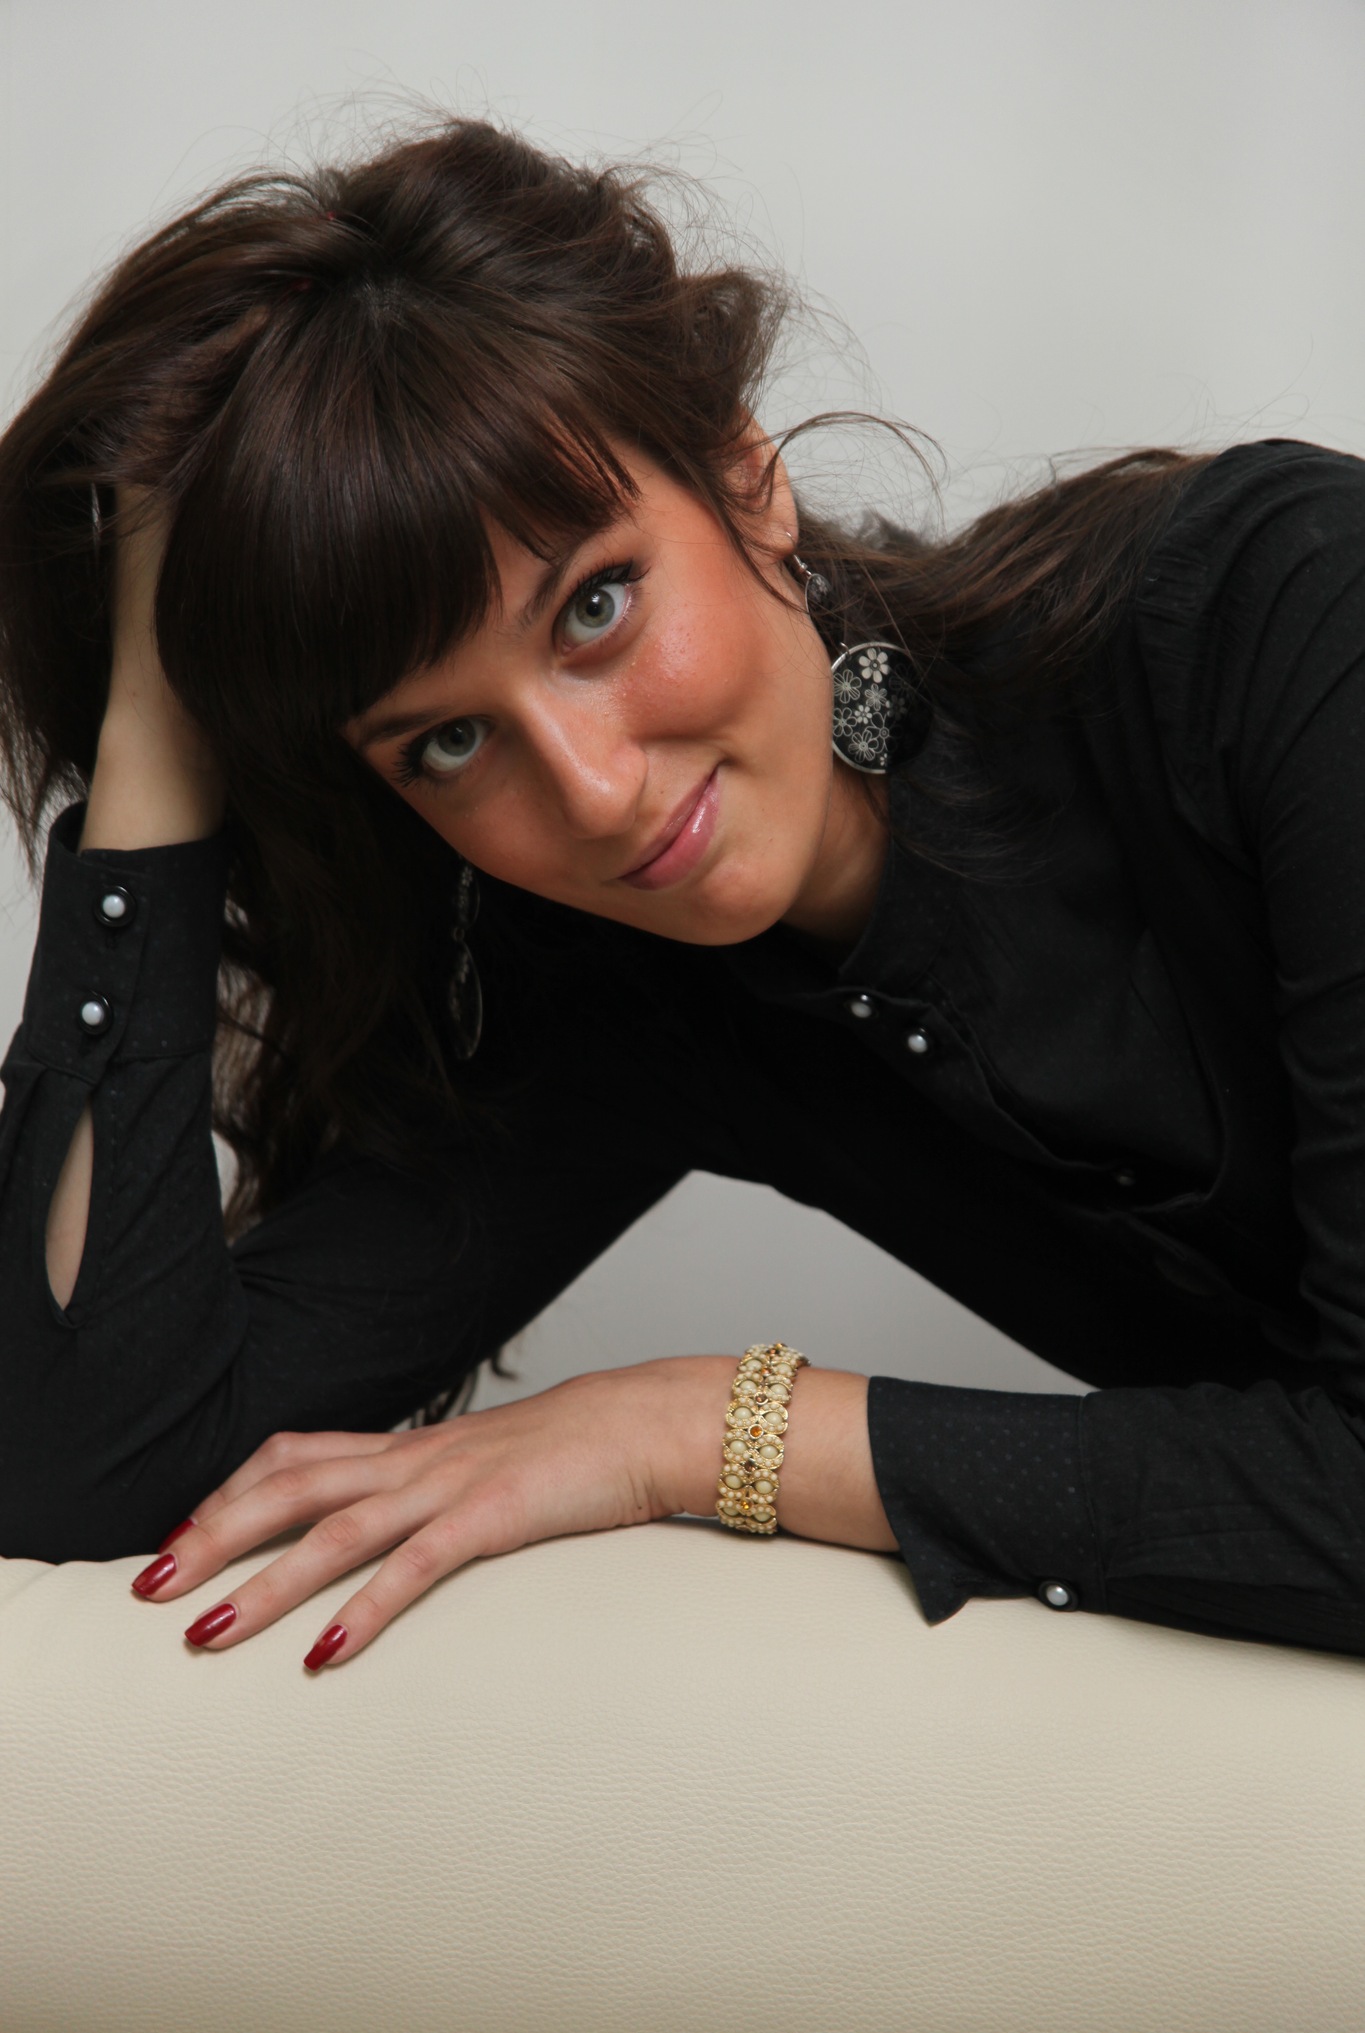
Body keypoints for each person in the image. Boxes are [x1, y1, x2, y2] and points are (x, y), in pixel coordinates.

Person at [2, 116, 1364, 1676]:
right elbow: (84, 1469)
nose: (591, 794)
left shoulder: (1282, 623)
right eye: (444, 742)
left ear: (743, 476)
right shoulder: (630, 990)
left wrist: (700, 1429)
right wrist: (157, 735)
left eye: (594, 605)